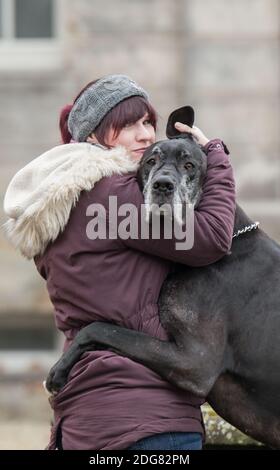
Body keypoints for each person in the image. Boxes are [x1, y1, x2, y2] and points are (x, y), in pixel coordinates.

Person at [3, 74, 236, 450]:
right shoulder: (115, 195)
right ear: (94, 136)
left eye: (148, 123)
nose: (146, 135)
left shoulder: (60, 197)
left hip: (83, 416)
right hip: (146, 419)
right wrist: (217, 158)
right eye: (129, 125)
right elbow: (212, 237)